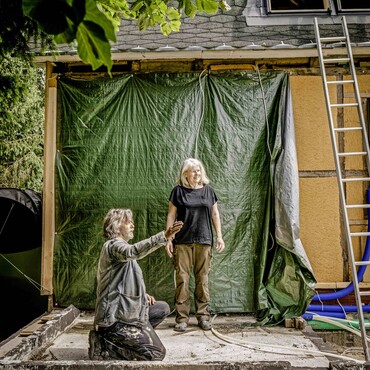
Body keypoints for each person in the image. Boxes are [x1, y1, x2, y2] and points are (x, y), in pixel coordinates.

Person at [89, 208, 183, 361]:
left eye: (132, 222)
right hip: (113, 318)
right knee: (156, 353)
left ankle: (131, 338)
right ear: (116, 227)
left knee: (161, 308)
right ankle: (105, 346)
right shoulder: (113, 246)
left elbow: (124, 281)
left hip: (125, 311)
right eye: (127, 222)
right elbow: (132, 251)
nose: (132, 225)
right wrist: (163, 237)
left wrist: (143, 295)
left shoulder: (120, 250)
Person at [165, 158, 225, 332]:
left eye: (199, 170)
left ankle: (203, 316)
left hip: (204, 241)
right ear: (185, 174)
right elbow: (171, 216)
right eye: (193, 171)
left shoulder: (209, 191)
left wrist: (219, 236)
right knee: (182, 279)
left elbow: (215, 215)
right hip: (182, 242)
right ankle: (182, 318)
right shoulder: (177, 192)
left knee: (202, 280)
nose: (197, 173)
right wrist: (168, 238)